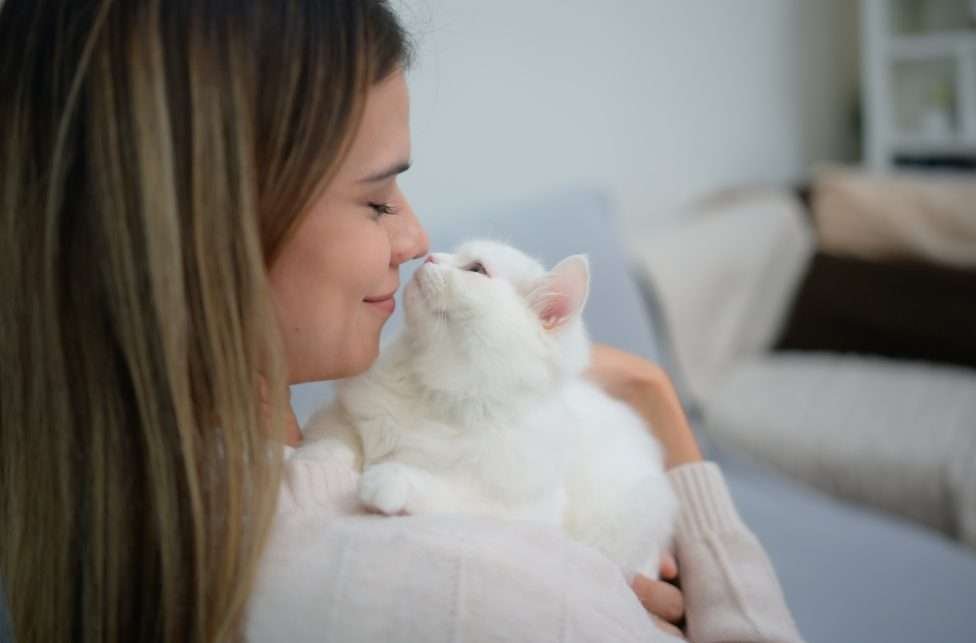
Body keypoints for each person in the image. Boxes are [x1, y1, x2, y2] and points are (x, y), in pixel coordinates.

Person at [0, 1, 804, 641]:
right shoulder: (480, 588)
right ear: (210, 231)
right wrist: (665, 421)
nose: (418, 241)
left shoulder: (85, 537)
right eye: (379, 199)